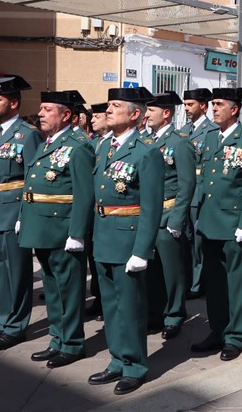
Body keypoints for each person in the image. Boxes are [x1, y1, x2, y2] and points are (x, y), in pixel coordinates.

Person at [88, 87, 164, 395]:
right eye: (108, 105)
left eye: (115, 105)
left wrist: (142, 250)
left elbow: (152, 204)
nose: (108, 110)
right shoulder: (105, 147)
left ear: (135, 114)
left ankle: (135, 366)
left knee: (130, 307)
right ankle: (118, 359)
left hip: (128, 240)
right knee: (111, 306)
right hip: (104, 237)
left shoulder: (147, 151)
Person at [19, 90, 95, 368]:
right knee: (52, 288)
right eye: (41, 109)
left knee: (69, 289)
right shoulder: (46, 142)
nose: (40, 113)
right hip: (41, 226)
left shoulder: (79, 145)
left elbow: (84, 194)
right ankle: (57, 339)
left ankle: (73, 344)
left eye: (47, 109)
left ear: (66, 115)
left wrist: (77, 233)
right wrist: (23, 217)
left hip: (63, 229)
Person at [191, 87, 242, 361]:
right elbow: (206, 181)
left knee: (236, 283)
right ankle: (217, 330)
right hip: (210, 223)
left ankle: (236, 336)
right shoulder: (210, 138)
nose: (213, 108)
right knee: (215, 282)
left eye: (219, 104)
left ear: (234, 109)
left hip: (234, 225)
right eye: (212, 104)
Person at [0, 75, 41, 351]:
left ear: (13, 103)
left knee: (17, 273)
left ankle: (15, 326)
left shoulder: (27, 134)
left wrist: (26, 216)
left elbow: (32, 180)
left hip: (12, 213)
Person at [145, 91, 196, 338]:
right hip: (148, 217)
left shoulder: (179, 142)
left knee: (172, 271)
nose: (146, 115)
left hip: (168, 215)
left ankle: (174, 314)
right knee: (151, 270)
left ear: (166, 114)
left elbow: (187, 184)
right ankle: (154, 313)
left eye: (151, 111)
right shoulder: (147, 141)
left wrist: (177, 219)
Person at [180, 88, 217, 300]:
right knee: (185, 239)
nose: (186, 108)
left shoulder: (211, 131)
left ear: (203, 106)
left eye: (190, 104)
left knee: (198, 241)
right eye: (185, 104)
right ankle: (189, 279)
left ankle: (197, 283)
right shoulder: (184, 130)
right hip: (185, 192)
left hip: (200, 192)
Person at [85, 102, 111, 321]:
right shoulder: (94, 143)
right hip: (93, 209)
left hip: (111, 213)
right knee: (94, 258)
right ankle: (98, 297)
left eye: (97, 117)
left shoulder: (111, 144)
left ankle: (104, 301)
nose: (92, 120)